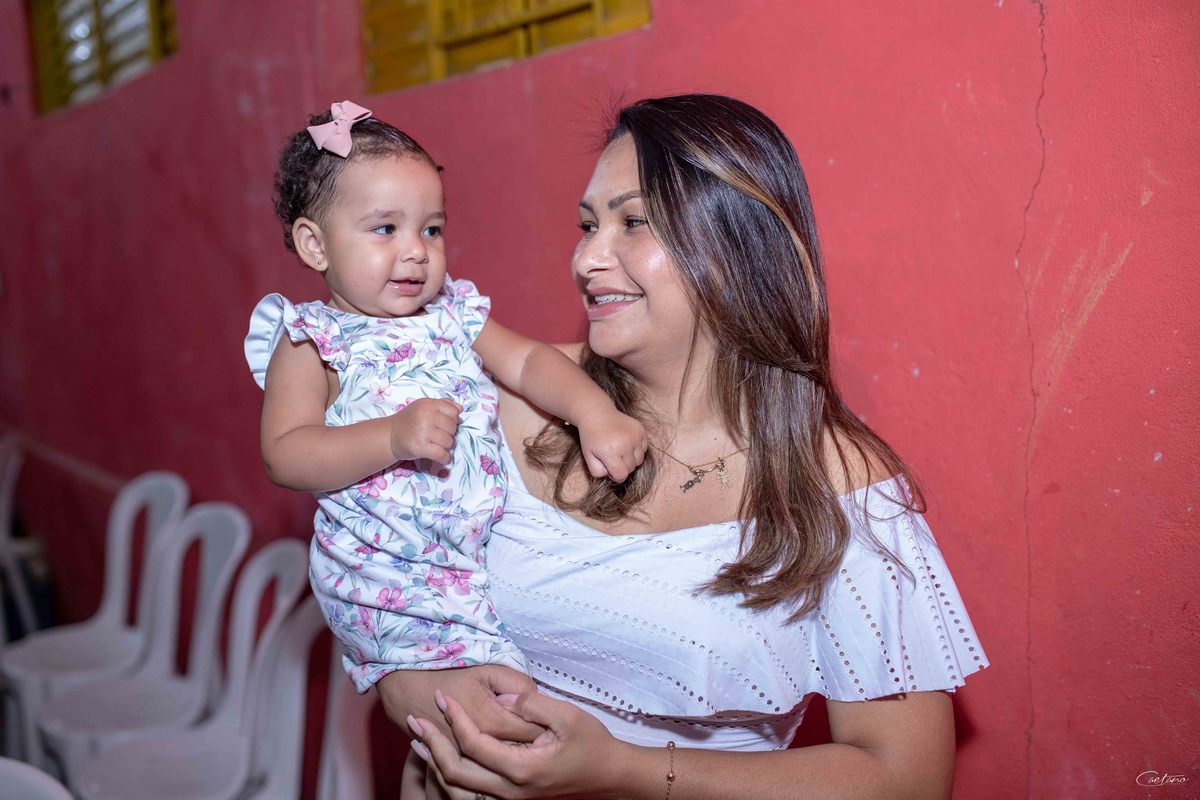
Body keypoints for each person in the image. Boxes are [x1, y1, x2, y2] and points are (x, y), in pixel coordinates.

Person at [385, 93, 990, 800]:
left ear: (735, 246)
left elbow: (907, 778)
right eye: (588, 225)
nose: (587, 258)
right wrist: (444, 712)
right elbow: (376, 594)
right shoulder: (504, 405)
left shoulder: (838, 482)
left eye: (633, 222)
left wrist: (622, 769)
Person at [243, 101, 648, 697]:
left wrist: (594, 413)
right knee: (490, 708)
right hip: (384, 577)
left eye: (431, 229)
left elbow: (529, 361)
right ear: (315, 245)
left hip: (469, 563)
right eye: (386, 229)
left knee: (511, 706)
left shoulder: (453, 313)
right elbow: (286, 453)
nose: (416, 250)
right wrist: (390, 437)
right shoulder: (314, 341)